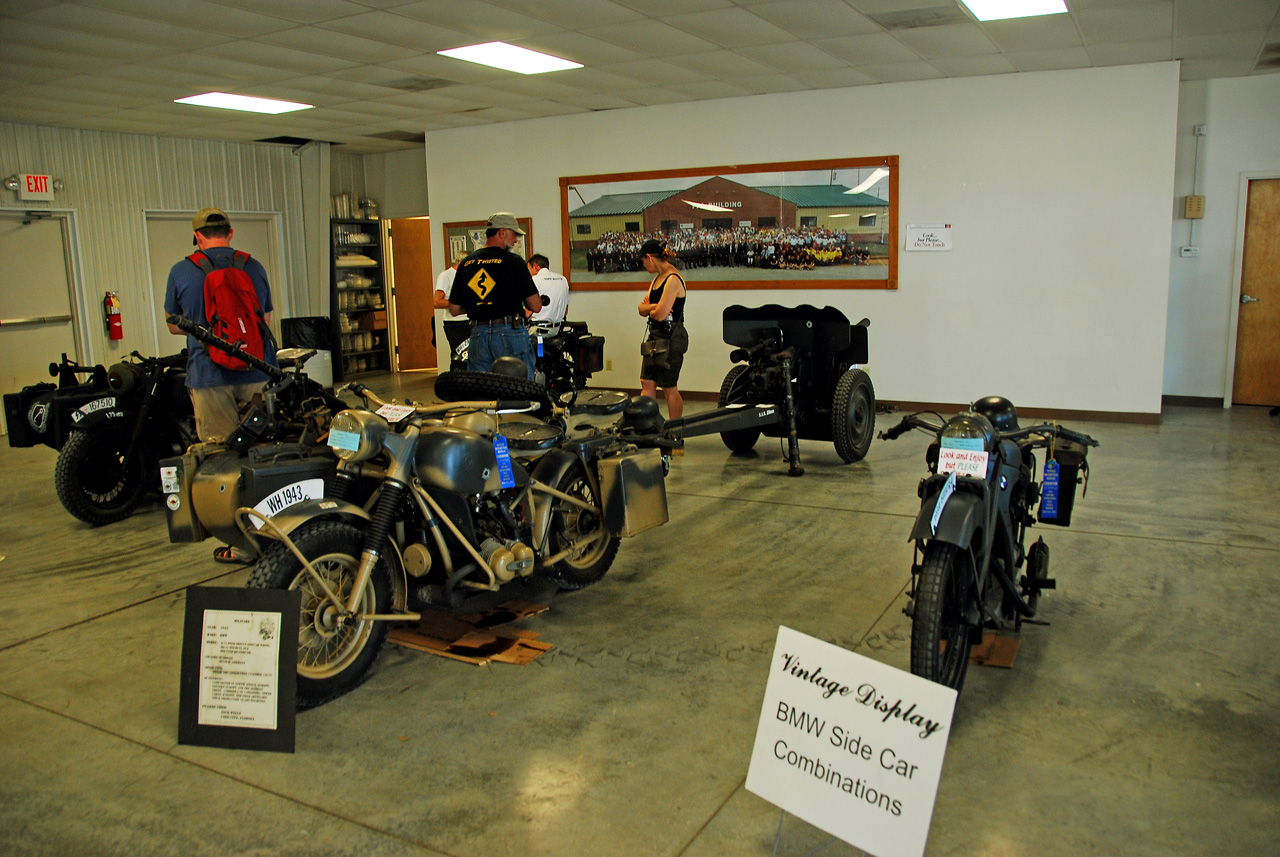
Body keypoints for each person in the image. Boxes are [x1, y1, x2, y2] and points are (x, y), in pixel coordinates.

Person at [164, 206, 278, 564]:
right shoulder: (252, 266)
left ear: (197, 235)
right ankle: (272, 536)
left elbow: (172, 324)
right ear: (230, 233)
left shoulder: (183, 270)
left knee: (221, 462)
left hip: (210, 376)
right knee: (263, 455)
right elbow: (266, 318)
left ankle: (239, 544)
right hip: (257, 372)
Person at [448, 212, 540, 378]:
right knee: (520, 390)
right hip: (510, 332)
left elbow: (454, 309)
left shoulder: (466, 263)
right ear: (502, 232)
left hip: (477, 334)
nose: (515, 240)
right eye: (514, 235)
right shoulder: (514, 261)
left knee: (482, 391)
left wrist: (480, 305)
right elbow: (535, 305)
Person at [636, 237, 688, 422]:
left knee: (668, 387)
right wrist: (653, 306)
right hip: (655, 336)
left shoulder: (673, 279)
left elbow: (660, 314)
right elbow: (642, 309)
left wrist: (651, 307)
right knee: (647, 382)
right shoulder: (657, 280)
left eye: (643, 261)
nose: (644, 266)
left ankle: (675, 431)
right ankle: (647, 426)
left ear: (649, 257)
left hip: (671, 337)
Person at [433, 251, 468, 370]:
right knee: (459, 355)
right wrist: (459, 303)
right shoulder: (446, 275)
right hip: (455, 323)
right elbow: (437, 302)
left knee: (471, 356)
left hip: (471, 321)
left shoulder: (469, 276)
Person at [527, 253, 569, 324]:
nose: (529, 274)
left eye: (529, 270)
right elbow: (565, 311)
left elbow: (528, 311)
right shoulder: (563, 279)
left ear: (535, 266)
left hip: (537, 328)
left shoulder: (535, 279)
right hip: (557, 329)